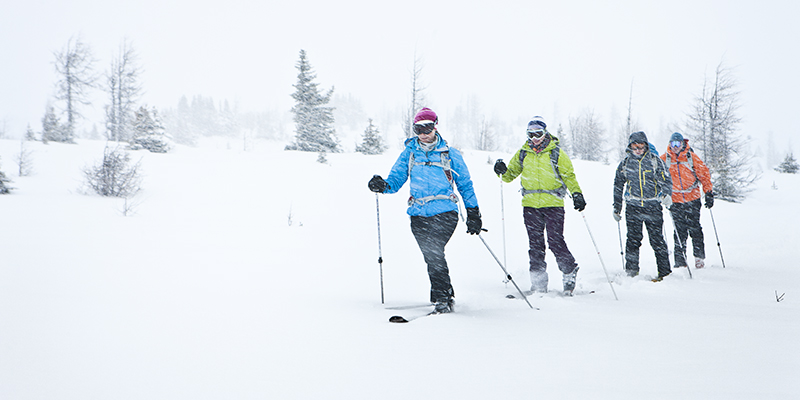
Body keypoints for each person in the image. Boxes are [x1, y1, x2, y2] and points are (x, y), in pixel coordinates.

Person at [368, 107, 481, 314]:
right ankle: (444, 292)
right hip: (418, 214)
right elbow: (396, 180)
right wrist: (382, 185)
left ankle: (441, 297)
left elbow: (465, 184)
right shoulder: (410, 154)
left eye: (427, 128)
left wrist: (473, 213)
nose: (423, 133)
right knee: (431, 255)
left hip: (445, 211)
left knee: (433, 251)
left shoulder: (450, 154)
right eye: (418, 129)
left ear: (435, 127)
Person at [493, 117, 585, 295]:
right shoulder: (523, 153)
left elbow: (569, 176)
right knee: (535, 244)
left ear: (545, 133)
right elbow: (509, 175)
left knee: (555, 241)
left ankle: (569, 271)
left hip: (553, 205)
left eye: (538, 133)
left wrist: (577, 194)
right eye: (531, 134)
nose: (535, 138)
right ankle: (538, 283)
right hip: (530, 205)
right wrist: (501, 170)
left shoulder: (555, 152)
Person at [613, 131, 673, 281]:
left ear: (645, 146)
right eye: (635, 146)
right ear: (630, 147)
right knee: (633, 240)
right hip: (633, 207)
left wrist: (666, 194)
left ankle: (664, 272)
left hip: (652, 206)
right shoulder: (626, 163)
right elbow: (618, 185)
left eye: (641, 146)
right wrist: (617, 206)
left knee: (657, 240)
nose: (638, 150)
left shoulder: (654, 161)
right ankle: (631, 272)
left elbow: (666, 179)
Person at [660, 132, 714, 269]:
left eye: (678, 144)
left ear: (683, 144)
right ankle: (680, 261)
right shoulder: (665, 159)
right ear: (670, 144)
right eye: (673, 144)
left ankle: (699, 257)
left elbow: (704, 174)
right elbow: (657, 176)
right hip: (675, 200)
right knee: (679, 230)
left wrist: (708, 192)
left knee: (695, 228)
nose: (676, 147)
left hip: (692, 198)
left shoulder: (691, 157)